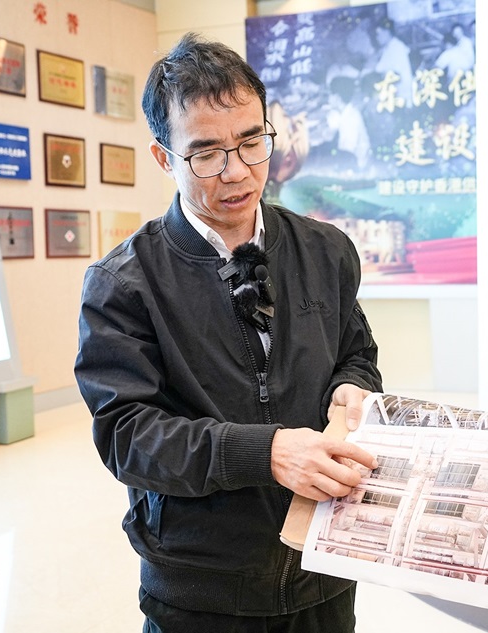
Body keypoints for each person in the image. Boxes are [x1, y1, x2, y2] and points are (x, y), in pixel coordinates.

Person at [74, 32, 383, 633]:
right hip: (200, 585)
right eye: (206, 153)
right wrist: (266, 452)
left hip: (323, 567)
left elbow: (356, 352)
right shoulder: (124, 283)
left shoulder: (326, 250)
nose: (237, 170)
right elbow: (127, 436)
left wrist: (352, 386)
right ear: (164, 157)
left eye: (251, 141)